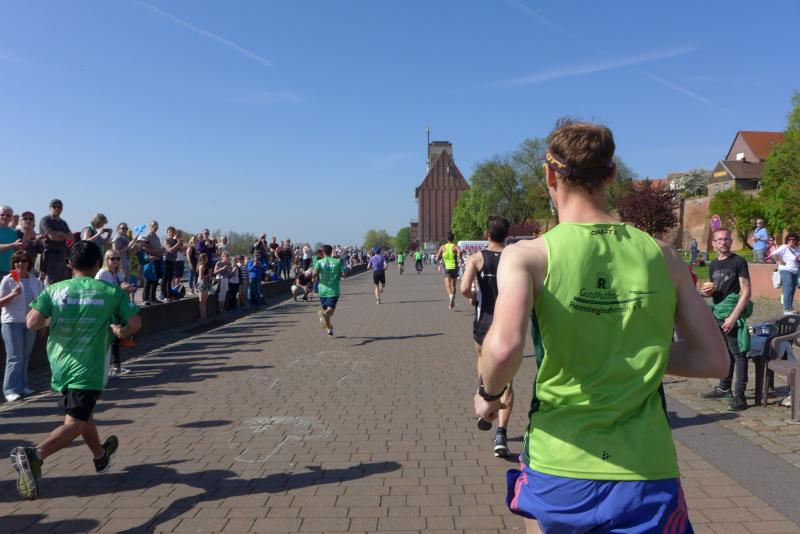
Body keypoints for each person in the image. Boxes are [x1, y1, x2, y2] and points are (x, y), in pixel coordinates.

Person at [474, 119, 728, 533]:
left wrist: (488, 394)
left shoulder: (529, 256)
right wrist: (632, 352)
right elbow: (714, 360)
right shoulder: (662, 255)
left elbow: (503, 349)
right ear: (610, 174)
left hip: (559, 463)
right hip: (646, 468)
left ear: (550, 174)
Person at [12, 241, 141, 500]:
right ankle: (35, 455)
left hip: (60, 365)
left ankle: (100, 455)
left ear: (70, 264)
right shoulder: (110, 292)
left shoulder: (54, 289)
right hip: (88, 368)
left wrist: (55, 319)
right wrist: (119, 331)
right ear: (98, 264)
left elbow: (32, 322)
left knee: (84, 413)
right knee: (75, 423)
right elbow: (135, 323)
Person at [460, 215, 512, 458]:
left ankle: (485, 395)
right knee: (508, 379)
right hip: (508, 324)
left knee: (482, 360)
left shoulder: (476, 258)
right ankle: (501, 434)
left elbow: (464, 288)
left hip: (484, 323)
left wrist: (474, 297)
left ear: (487, 234)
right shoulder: (514, 257)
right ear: (507, 234)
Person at [698, 227, 753, 411]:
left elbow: (746, 291)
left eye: (726, 239)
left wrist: (733, 317)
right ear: (714, 243)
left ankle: (740, 396)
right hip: (718, 313)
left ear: (731, 241)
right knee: (725, 352)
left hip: (731, 313)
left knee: (739, 354)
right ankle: (724, 388)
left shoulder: (739, 261)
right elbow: (716, 290)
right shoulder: (713, 264)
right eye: (719, 240)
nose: (723, 242)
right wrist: (707, 292)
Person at [0, 251, 44, 401]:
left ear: (29, 263)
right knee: (14, 357)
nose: (21, 264)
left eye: (24, 261)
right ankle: (10, 390)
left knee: (25, 357)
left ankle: (22, 386)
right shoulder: (8, 280)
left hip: (29, 323)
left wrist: (42, 324)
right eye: (17, 261)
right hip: (12, 322)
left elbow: (40, 303)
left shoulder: (35, 281)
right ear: (13, 264)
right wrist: (12, 294)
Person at [96, 249, 134, 376]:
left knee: (115, 339)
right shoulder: (103, 273)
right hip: (105, 308)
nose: (115, 261)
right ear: (106, 259)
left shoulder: (118, 272)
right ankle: (107, 368)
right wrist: (120, 288)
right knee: (108, 339)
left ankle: (116, 367)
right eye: (112, 258)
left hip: (115, 308)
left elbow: (121, 284)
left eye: (118, 258)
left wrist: (127, 287)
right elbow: (101, 291)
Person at [314, 244, 346, 336]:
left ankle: (329, 328)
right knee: (330, 310)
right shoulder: (338, 261)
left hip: (322, 290)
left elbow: (314, 274)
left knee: (328, 312)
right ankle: (324, 316)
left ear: (323, 252)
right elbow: (343, 275)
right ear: (331, 251)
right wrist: (339, 274)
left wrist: (313, 278)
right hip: (333, 289)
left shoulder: (319, 262)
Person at [38, 200, 72, 285]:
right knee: (51, 283)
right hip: (49, 256)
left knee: (62, 283)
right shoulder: (46, 220)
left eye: (59, 207)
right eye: (54, 206)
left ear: (62, 209)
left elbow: (71, 238)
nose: (57, 208)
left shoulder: (63, 223)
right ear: (50, 208)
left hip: (62, 256)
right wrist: (63, 235)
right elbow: (53, 236)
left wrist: (60, 234)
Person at [770, 233, 800, 314]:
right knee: (788, 288)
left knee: (792, 289)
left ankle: (790, 308)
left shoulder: (798, 249)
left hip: (795, 271)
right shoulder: (784, 247)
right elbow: (772, 254)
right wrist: (780, 260)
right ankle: (787, 309)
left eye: (794, 239)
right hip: (785, 269)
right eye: (789, 239)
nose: (791, 241)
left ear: (797, 240)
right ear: (787, 240)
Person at [138, 221, 164, 305]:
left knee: (155, 280)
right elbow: (143, 247)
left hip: (157, 259)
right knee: (148, 280)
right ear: (150, 226)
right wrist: (156, 252)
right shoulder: (147, 236)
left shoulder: (157, 237)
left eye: (156, 226)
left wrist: (160, 252)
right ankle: (145, 299)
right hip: (150, 260)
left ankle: (152, 298)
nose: (155, 227)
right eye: (153, 225)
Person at [435, 233, 461, 309]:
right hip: (454, 268)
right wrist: (461, 259)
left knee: (447, 285)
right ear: (453, 239)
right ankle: (452, 301)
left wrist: (439, 263)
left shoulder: (442, 247)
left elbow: (437, 258)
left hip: (447, 268)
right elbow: (459, 252)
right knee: (453, 285)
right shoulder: (455, 246)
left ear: (447, 239)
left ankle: (451, 296)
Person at [1, 207, 27, 279]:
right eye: (2, 214)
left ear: (11, 218)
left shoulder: (13, 232)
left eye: (8, 215)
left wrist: (21, 246)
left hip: (10, 270)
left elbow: (16, 250)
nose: (5, 217)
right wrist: (13, 245)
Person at [162, 227, 182, 303]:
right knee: (165, 279)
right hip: (166, 261)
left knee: (170, 279)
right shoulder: (166, 241)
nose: (171, 233)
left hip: (173, 261)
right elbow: (170, 250)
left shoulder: (175, 241)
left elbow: (182, 250)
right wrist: (178, 244)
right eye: (170, 232)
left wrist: (181, 243)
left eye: (173, 232)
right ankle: (164, 295)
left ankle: (169, 295)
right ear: (167, 233)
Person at [195, 254, 211, 322]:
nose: (207, 258)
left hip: (205, 283)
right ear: (204, 259)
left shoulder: (205, 266)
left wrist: (209, 275)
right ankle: (203, 317)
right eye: (206, 257)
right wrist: (208, 274)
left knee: (204, 302)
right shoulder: (201, 266)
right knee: (202, 302)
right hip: (202, 284)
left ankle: (204, 317)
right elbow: (201, 277)